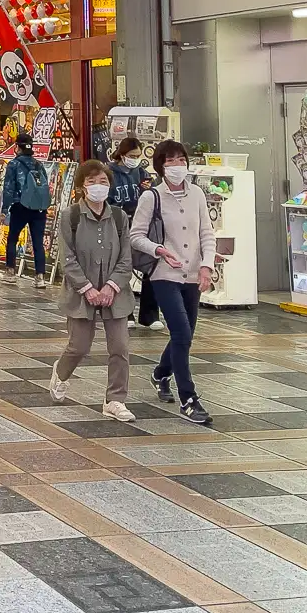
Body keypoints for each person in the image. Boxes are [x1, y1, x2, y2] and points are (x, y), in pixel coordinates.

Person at [132, 139, 216, 426]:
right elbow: (135, 236)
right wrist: (159, 250)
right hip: (163, 275)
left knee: (186, 334)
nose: (177, 166)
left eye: (181, 160)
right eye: (170, 161)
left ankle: (159, 374)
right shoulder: (151, 197)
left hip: (192, 274)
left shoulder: (197, 194)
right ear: (160, 166)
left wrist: (206, 266)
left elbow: (207, 233)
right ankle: (188, 399)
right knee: (181, 333)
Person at [51, 161, 136, 421]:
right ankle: (61, 373)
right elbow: (67, 258)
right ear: (81, 187)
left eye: (102, 182)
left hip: (115, 294)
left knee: (120, 347)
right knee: (79, 346)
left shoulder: (120, 217)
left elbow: (126, 258)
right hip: (80, 294)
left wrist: (111, 286)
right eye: (91, 182)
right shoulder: (71, 216)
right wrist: (87, 288)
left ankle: (115, 400)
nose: (98, 187)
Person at [110, 136, 160, 328]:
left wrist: (148, 189)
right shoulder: (110, 173)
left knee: (150, 266)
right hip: (119, 223)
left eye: (138, 155)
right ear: (122, 155)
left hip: (142, 224)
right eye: (132, 155)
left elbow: (155, 196)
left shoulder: (142, 173)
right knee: (123, 268)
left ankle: (150, 314)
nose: (135, 159)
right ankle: (126, 312)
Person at [0, 131, 52, 288]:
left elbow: (8, 188)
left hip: (20, 206)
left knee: (13, 238)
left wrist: (4, 209)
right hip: (39, 208)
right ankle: (40, 277)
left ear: (17, 147)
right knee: (37, 242)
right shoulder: (38, 164)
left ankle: (10, 272)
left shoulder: (13, 165)